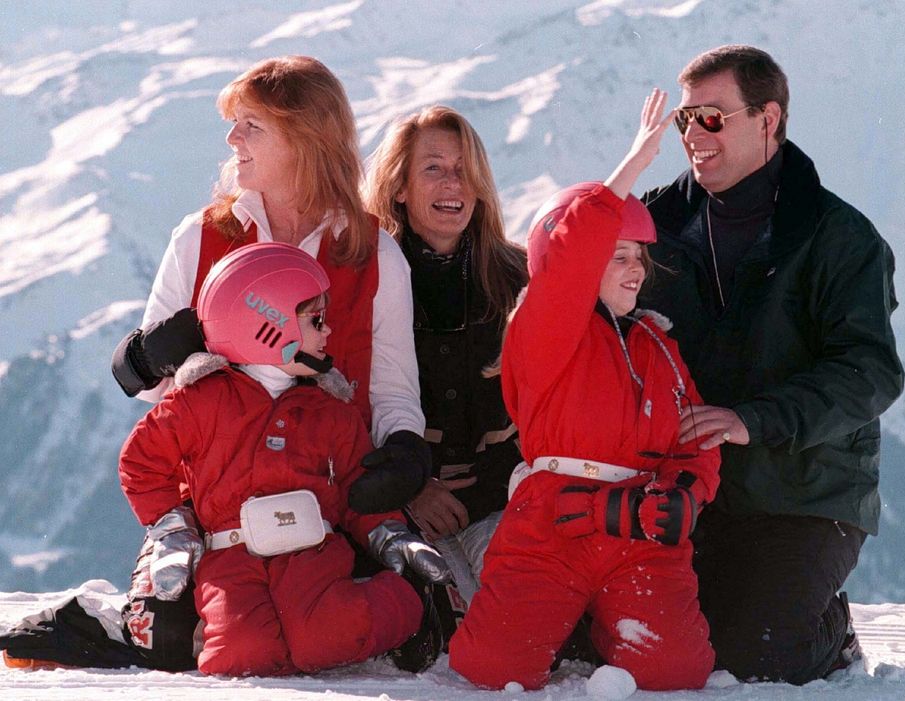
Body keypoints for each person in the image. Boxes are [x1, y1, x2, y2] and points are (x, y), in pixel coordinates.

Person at [0, 56, 433, 673]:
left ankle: (415, 600)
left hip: (327, 503)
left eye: (251, 125)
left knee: (332, 629)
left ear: (307, 136)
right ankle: (95, 619)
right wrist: (149, 355)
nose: (232, 140)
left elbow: (393, 389)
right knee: (177, 641)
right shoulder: (201, 237)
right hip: (214, 515)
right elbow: (150, 390)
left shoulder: (372, 251)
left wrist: (405, 454)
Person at [636, 45, 904, 684]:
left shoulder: (841, 237)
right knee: (637, 642)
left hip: (806, 490)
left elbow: (870, 370)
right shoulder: (651, 226)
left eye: (712, 118)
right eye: (684, 121)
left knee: (758, 656)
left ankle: (829, 630)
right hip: (686, 485)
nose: (694, 137)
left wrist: (752, 420)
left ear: (768, 119)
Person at [450, 89, 721, 692]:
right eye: (616, 254)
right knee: (493, 670)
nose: (634, 269)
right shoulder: (545, 328)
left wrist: (685, 492)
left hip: (640, 529)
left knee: (675, 672)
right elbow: (569, 258)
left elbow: (695, 435)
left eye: (639, 258)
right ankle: (525, 611)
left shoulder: (658, 345)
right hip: (553, 522)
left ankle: (592, 624)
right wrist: (629, 170)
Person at [117, 242, 450, 676]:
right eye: (316, 321)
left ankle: (408, 602)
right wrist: (173, 528)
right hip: (231, 558)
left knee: (327, 639)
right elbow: (140, 461)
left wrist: (387, 534)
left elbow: (356, 488)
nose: (327, 332)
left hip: (311, 553)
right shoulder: (200, 400)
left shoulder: (330, 410)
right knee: (238, 656)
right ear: (267, 325)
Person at [364, 105, 527, 606]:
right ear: (400, 187)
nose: (452, 184)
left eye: (464, 170)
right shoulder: (366, 279)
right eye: (433, 168)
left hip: (502, 499)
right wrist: (410, 486)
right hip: (396, 506)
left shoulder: (519, 277)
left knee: (520, 610)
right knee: (420, 619)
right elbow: (340, 406)